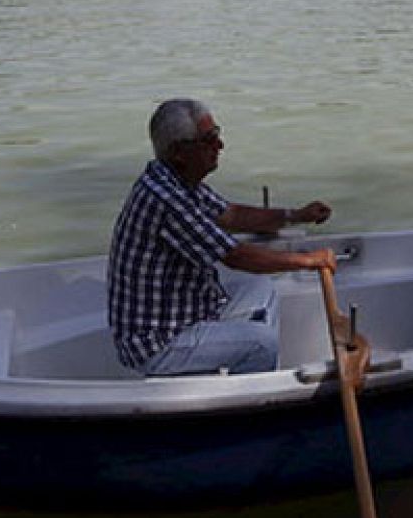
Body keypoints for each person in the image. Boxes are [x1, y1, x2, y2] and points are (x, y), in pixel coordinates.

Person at [108, 98, 336, 376]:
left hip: (187, 314)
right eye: (210, 138)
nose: (220, 145)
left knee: (261, 290)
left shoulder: (178, 181)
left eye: (217, 134)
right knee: (262, 344)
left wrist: (295, 215)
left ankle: (238, 378)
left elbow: (232, 215)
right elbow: (235, 256)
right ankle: (248, 400)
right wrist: (308, 261)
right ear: (180, 152)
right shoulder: (166, 198)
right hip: (158, 343)